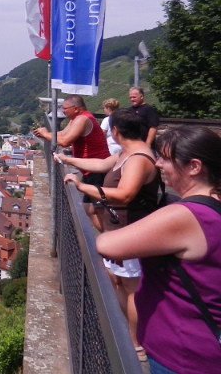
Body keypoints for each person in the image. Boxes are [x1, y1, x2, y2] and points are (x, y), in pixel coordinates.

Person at [95, 126, 221, 374]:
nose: (159, 164)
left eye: (166, 158)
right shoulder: (213, 206)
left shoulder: (187, 216)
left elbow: (107, 245)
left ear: (194, 166)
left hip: (182, 355)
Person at [60, 108, 159, 362]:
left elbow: (125, 193)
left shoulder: (138, 158)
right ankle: (129, 334)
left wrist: (86, 187)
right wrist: (68, 160)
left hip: (133, 231)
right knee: (117, 280)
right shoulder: (126, 153)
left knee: (131, 288)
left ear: (115, 130)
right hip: (121, 230)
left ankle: (136, 343)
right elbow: (101, 164)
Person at [33, 95, 110, 226]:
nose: (63, 111)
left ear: (75, 108)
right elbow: (62, 134)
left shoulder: (83, 119)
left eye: (65, 108)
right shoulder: (76, 119)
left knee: (101, 210)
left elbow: (64, 141)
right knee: (89, 208)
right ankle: (105, 237)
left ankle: (108, 240)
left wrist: (46, 133)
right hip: (89, 169)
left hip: (97, 169)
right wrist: (45, 134)